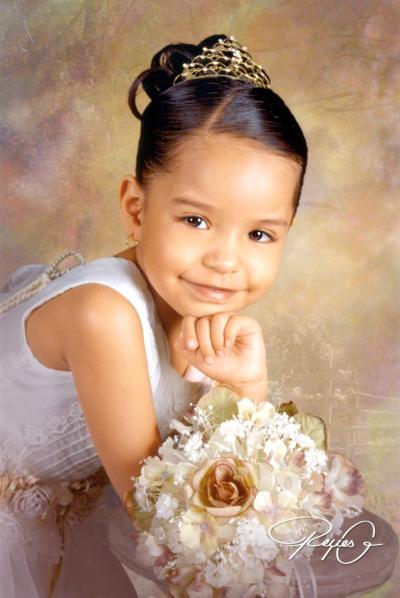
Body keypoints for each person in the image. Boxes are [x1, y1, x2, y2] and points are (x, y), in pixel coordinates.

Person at [1, 34, 396, 598]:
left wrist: (246, 388)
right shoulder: (103, 315)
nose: (225, 261)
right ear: (136, 210)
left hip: (71, 526)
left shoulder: (198, 315)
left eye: (259, 233)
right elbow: (162, 519)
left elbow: (215, 479)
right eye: (196, 221)